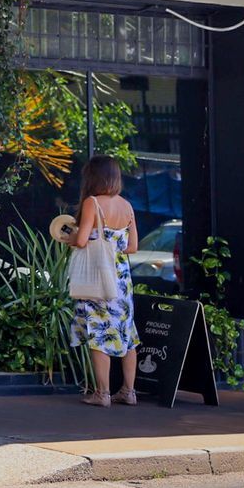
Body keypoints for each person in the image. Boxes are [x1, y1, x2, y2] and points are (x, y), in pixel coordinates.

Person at [68, 155, 141, 407]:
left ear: (93, 177)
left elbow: (80, 240)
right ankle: (129, 391)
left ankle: (103, 393)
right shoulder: (127, 206)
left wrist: (68, 236)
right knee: (126, 332)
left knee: (99, 332)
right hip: (122, 278)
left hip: (98, 276)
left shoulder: (92, 203)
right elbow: (132, 247)